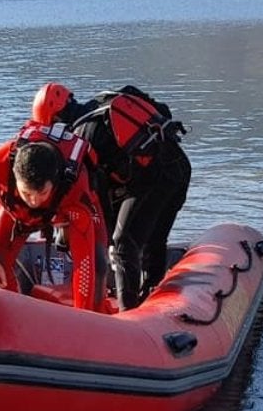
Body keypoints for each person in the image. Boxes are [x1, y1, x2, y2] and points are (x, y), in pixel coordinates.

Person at [37, 83, 191, 310]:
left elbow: (99, 199)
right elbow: (163, 112)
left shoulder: (83, 137)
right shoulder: (107, 100)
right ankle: (153, 294)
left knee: (122, 244)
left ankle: (128, 312)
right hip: (180, 169)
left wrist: (100, 238)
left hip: (156, 180)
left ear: (57, 120)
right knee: (153, 238)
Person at [0, 104, 111, 313]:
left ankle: (100, 315)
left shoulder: (74, 187)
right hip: (17, 212)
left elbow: (84, 265)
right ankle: (12, 315)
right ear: (15, 177)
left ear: (53, 182)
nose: (34, 201)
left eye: (41, 193)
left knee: (98, 263)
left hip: (64, 208)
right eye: (27, 193)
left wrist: (82, 317)